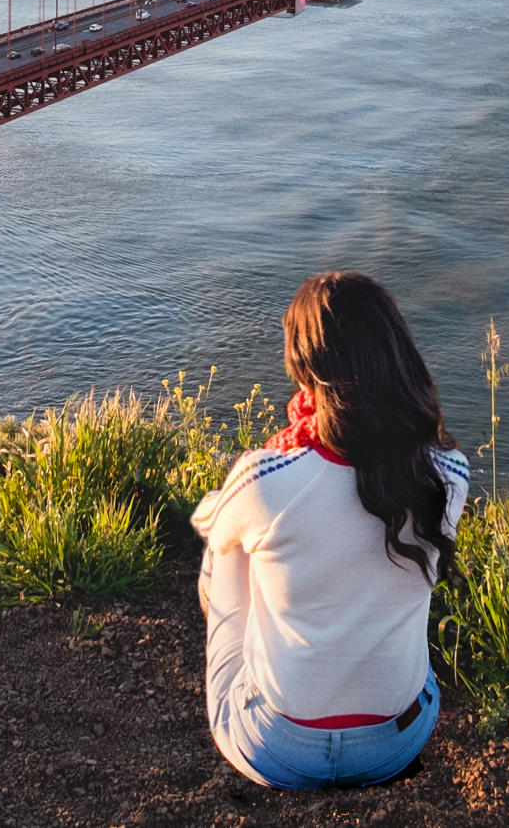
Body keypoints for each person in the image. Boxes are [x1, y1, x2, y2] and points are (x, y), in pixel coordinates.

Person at [191, 271, 469, 790]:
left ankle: (264, 672)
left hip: (276, 749)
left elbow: (210, 524)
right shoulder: (449, 473)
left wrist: (243, 490)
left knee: (228, 546)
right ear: (397, 355)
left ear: (306, 373)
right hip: (400, 739)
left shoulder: (266, 476)